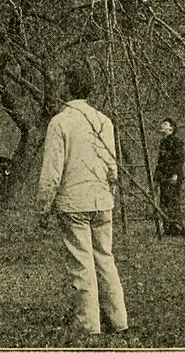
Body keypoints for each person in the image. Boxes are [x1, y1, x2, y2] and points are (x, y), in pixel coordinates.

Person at [37, 62, 128, 339]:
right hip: (102, 200)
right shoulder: (104, 121)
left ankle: (89, 326)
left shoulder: (60, 123)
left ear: (67, 86)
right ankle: (119, 320)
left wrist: (43, 207)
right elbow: (113, 166)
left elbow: (52, 172)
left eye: (61, 81)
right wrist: (107, 193)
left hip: (74, 203)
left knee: (82, 263)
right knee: (105, 259)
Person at [154, 117, 185, 236]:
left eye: (165, 124)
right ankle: (168, 229)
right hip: (164, 176)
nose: (162, 125)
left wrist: (175, 174)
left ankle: (177, 229)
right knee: (164, 202)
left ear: (172, 128)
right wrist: (157, 177)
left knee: (173, 202)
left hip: (173, 176)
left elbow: (179, 160)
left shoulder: (176, 142)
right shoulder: (163, 142)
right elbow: (160, 161)